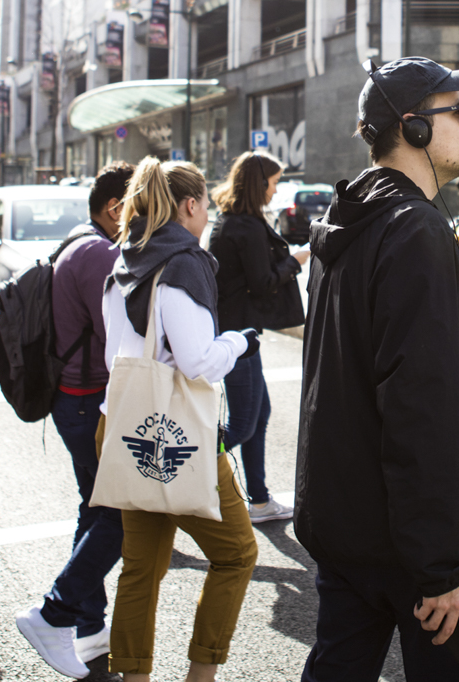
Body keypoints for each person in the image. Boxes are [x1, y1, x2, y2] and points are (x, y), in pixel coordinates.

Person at [298, 56, 459, 681]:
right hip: (412, 551)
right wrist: (442, 569)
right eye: (458, 111)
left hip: (345, 526)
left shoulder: (347, 220)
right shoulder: (415, 231)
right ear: (412, 128)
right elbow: (423, 409)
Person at [101, 157, 260, 682]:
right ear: (190, 205)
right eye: (205, 210)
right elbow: (196, 363)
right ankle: (201, 675)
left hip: (125, 423)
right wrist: (238, 342)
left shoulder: (125, 257)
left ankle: (133, 675)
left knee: (141, 566)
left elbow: (116, 359)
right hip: (176, 434)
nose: (207, 221)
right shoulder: (184, 263)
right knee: (237, 554)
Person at [16, 160, 135, 677]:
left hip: (74, 398)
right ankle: (55, 612)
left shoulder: (78, 242)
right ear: (115, 208)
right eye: (139, 205)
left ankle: (86, 627)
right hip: (87, 399)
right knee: (119, 515)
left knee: (95, 509)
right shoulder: (99, 253)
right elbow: (117, 336)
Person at [208, 150, 309, 525]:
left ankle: (261, 500)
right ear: (258, 183)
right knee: (243, 423)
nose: (276, 190)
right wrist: (296, 261)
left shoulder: (232, 220)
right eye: (274, 182)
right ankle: (181, 466)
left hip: (236, 332)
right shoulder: (245, 227)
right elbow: (263, 283)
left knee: (257, 415)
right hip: (235, 335)